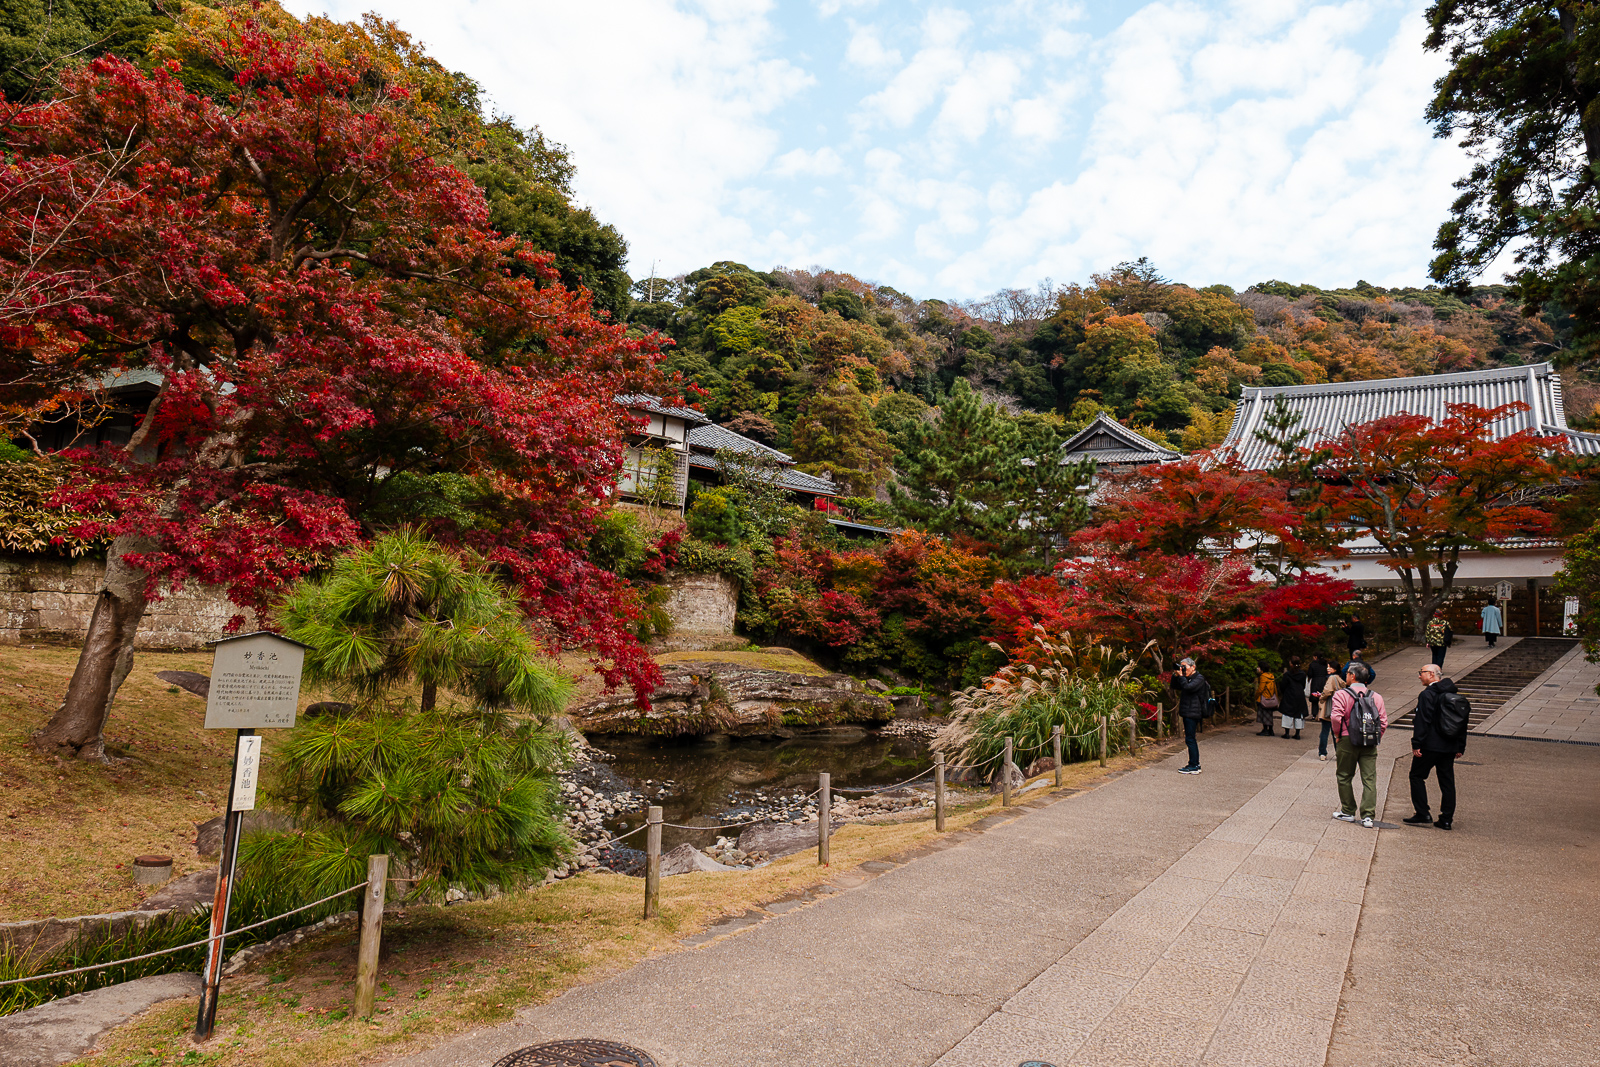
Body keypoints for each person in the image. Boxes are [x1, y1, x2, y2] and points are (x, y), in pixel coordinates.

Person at [1405, 663, 1466, 830]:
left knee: (1416, 776)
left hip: (1430, 744)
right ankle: (1446, 819)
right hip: (1450, 745)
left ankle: (1422, 812)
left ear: (1431, 675)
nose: (1419, 676)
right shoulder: (1453, 694)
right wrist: (1460, 745)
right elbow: (1462, 722)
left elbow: (1422, 720)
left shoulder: (1428, 695)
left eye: (1421, 672)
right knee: (1447, 782)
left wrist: (1417, 743)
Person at [1329, 663, 1387, 828]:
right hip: (1369, 741)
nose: (1345, 675)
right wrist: (1376, 737)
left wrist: (1338, 735)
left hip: (1348, 739)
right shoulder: (1376, 697)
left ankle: (1348, 811)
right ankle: (1368, 816)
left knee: (1344, 776)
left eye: (1347, 673)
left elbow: (1336, 718)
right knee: (1369, 778)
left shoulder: (1341, 694)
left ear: (1353, 676)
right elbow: (1383, 722)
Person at [1170, 657, 1209, 775]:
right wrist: (1176, 675)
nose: (1182, 669)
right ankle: (1194, 764)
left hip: (1194, 712)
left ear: (1193, 667)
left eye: (1184, 667)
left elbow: (1188, 687)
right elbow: (1175, 686)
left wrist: (1182, 677)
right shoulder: (1187, 678)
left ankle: (1194, 765)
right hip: (1188, 711)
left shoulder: (1199, 678)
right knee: (1190, 738)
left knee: (1190, 739)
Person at [1317, 659, 1346, 763]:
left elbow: (1327, 691)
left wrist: (1321, 698)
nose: (1327, 668)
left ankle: (1322, 753)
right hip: (1337, 709)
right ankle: (1338, 753)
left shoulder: (1331, 678)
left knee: (1325, 731)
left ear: (1335, 668)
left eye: (1330, 667)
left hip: (1329, 708)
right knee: (1336, 732)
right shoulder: (1339, 679)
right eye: (1327, 666)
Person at [1278, 656, 1308, 740]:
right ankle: (1297, 733)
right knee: (1299, 714)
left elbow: (1283, 685)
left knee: (1287, 713)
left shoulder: (1287, 674)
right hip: (1299, 694)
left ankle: (1287, 732)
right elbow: (1303, 685)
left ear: (1291, 663)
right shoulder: (1302, 674)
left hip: (1289, 694)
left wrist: (1284, 692)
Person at [1254, 665, 1278, 736]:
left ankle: (1265, 730)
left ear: (1262, 669)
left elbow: (1261, 688)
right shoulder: (1271, 676)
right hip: (1271, 697)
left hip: (1264, 697)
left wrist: (1256, 696)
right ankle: (1270, 730)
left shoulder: (1263, 677)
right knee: (1269, 714)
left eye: (1259, 667)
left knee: (1263, 713)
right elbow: (1275, 687)